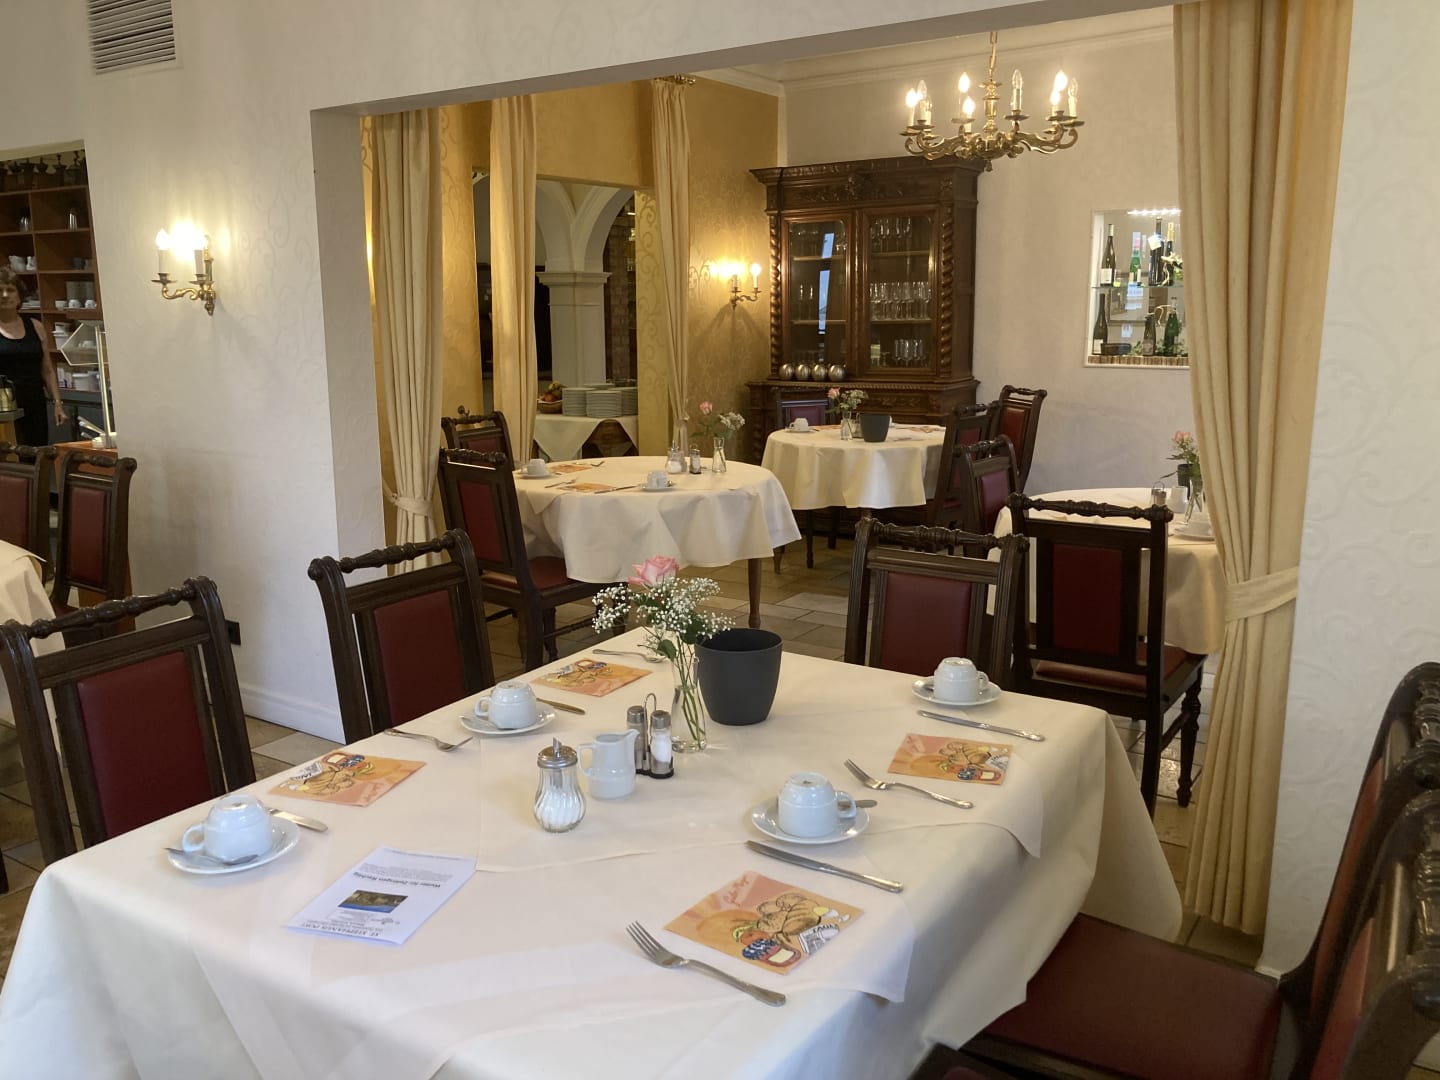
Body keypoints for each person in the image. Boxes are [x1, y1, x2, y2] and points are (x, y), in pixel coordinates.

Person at [0, 267, 66, 446]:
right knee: (11, 454)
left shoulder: (35, 326)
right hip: (5, 405)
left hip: (35, 399)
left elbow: (47, 370)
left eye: (10, 290)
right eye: (0, 290)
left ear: (19, 296)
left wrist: (57, 403)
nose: (5, 295)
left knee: (38, 449)